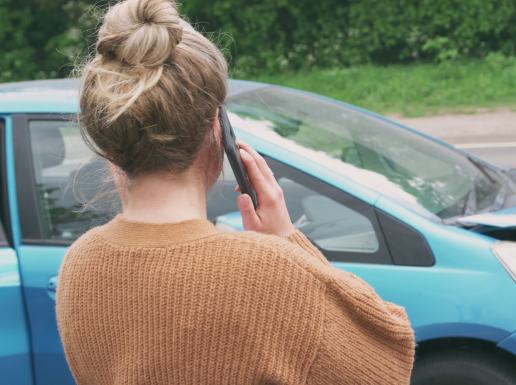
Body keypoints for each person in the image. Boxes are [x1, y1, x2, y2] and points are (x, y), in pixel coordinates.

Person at [55, 0, 415, 384]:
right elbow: (389, 355)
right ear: (218, 131)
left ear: (111, 143)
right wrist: (288, 241)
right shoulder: (271, 271)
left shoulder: (79, 264)